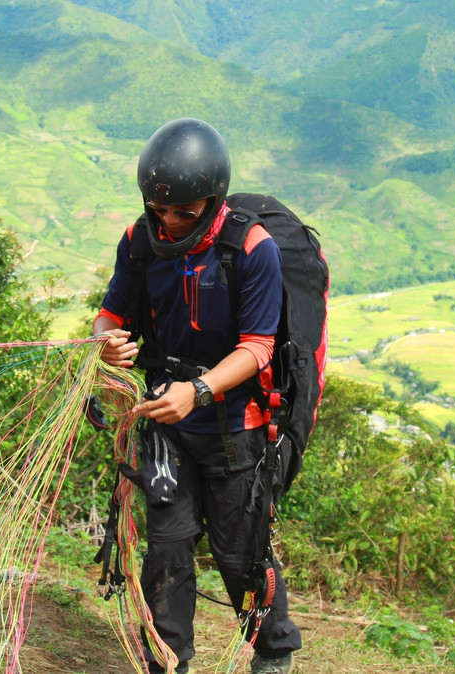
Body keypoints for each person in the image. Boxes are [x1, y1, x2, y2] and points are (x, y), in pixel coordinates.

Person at [93, 118, 302, 674]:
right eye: (160, 209)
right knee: (167, 546)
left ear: (214, 200)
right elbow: (112, 313)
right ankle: (169, 660)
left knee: (240, 552)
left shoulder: (251, 249)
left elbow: (258, 348)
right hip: (165, 419)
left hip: (236, 424)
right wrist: (105, 344)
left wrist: (200, 390)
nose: (170, 221)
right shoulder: (139, 242)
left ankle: (273, 654)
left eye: (185, 211)